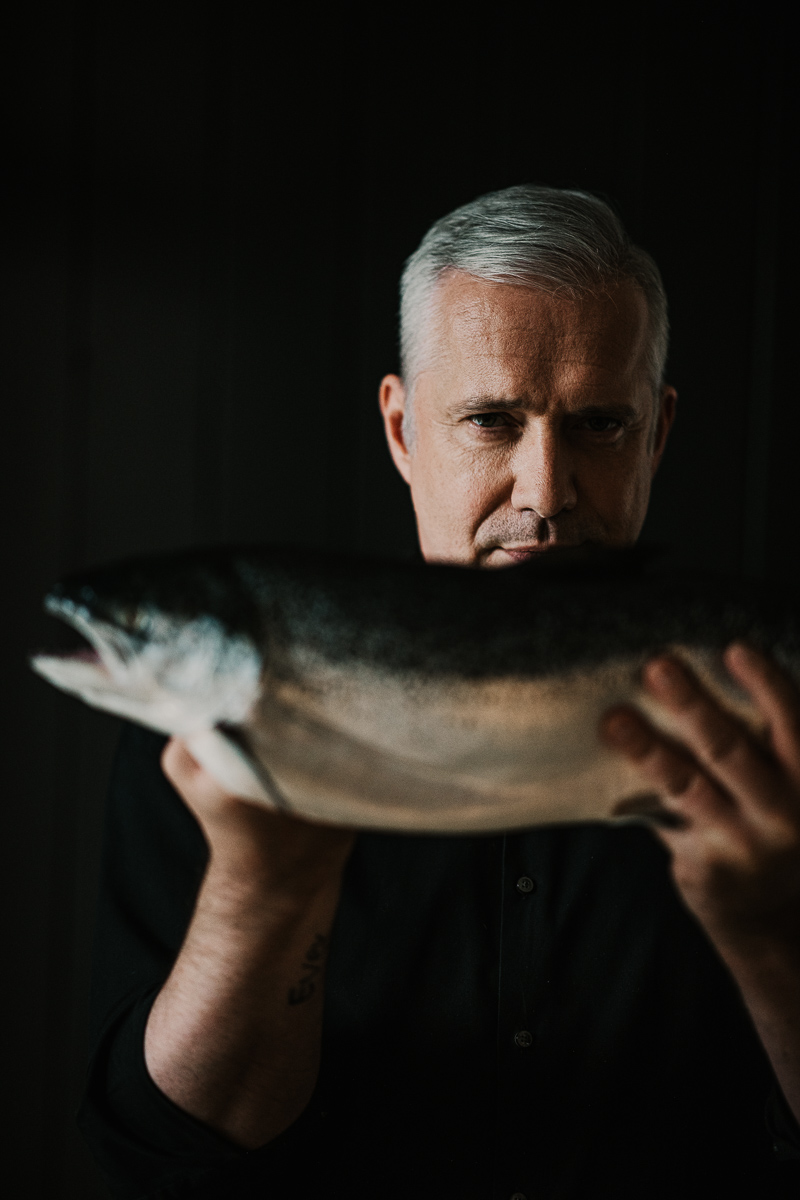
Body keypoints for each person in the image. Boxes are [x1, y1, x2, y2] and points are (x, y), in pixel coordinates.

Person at [79, 186, 800, 1199]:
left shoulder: (777, 711)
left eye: (598, 424)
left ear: (657, 434)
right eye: (489, 421)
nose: (544, 491)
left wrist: (772, 934)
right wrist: (264, 894)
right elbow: (161, 1162)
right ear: (402, 428)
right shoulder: (215, 729)